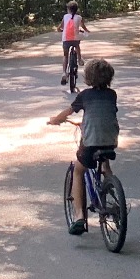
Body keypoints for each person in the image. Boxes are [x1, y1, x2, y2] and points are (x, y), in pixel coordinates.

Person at [48, 58, 119, 235]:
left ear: (88, 78)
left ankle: (79, 216)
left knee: (79, 171)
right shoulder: (112, 95)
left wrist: (56, 120)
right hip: (110, 140)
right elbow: (103, 115)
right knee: (104, 164)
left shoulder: (85, 95)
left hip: (91, 142)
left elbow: (69, 111)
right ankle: (113, 192)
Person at [57, 0, 89, 85]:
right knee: (77, 45)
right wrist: (86, 31)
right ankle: (79, 59)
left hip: (66, 39)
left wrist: (60, 30)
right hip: (75, 39)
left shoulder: (65, 16)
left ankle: (64, 72)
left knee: (65, 55)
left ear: (68, 9)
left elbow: (59, 27)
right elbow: (83, 26)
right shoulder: (79, 17)